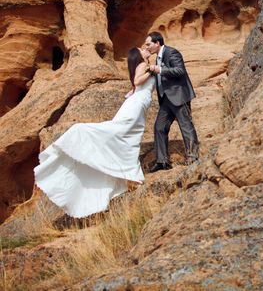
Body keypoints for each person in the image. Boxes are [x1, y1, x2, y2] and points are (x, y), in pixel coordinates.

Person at [34, 48, 155, 218]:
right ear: (138, 56)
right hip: (135, 105)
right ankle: (130, 172)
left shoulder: (143, 64)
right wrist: (153, 69)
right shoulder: (144, 65)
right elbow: (137, 80)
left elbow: (137, 86)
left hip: (135, 103)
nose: (146, 49)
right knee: (124, 134)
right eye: (142, 49)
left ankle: (129, 172)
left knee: (126, 136)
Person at [145, 32, 199, 172]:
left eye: (148, 44)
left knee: (186, 126)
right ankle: (162, 161)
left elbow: (180, 71)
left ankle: (193, 157)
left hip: (179, 95)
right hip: (166, 100)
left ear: (157, 43)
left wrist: (159, 70)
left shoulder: (172, 52)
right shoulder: (157, 57)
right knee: (159, 127)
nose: (147, 47)